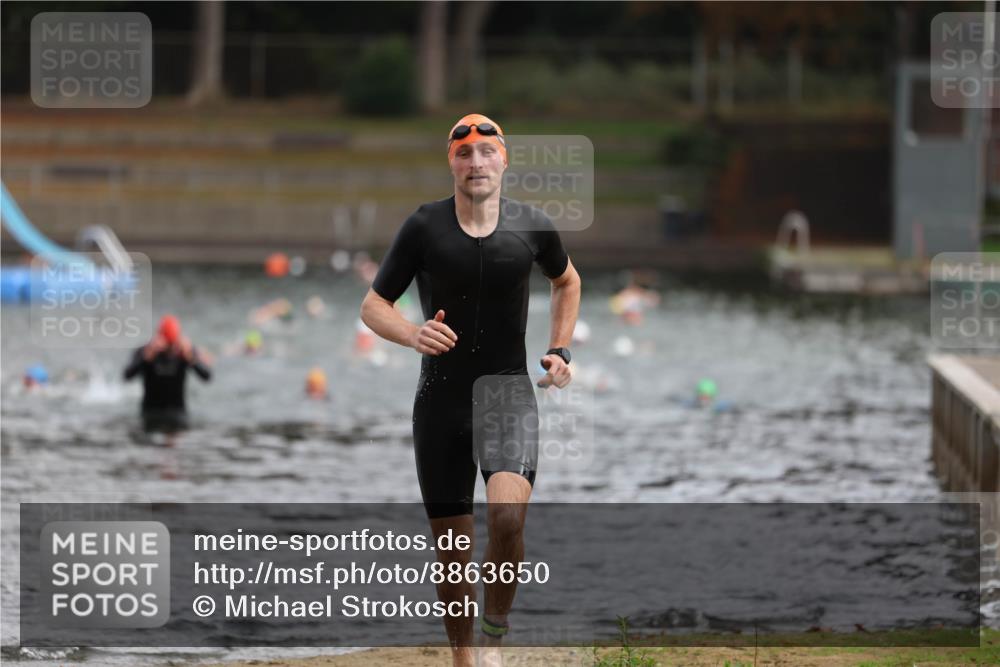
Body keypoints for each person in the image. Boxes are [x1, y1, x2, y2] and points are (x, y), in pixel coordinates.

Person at [360, 113, 581, 667]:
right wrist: (412, 333)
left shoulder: (532, 226)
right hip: (441, 400)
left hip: (507, 394)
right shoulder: (424, 227)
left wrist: (560, 349)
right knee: (453, 550)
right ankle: (462, 660)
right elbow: (372, 306)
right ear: (451, 164)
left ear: (504, 160)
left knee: (508, 519)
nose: (476, 163)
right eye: (464, 154)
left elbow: (567, 281)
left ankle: (495, 636)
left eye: (486, 152)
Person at [123, 314, 212, 433]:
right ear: (159, 336)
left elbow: (207, 376)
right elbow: (127, 376)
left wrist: (191, 359)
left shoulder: (185, 351)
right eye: (167, 343)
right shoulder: (146, 351)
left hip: (178, 413)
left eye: (172, 344)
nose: (169, 349)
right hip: (150, 413)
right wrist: (145, 359)